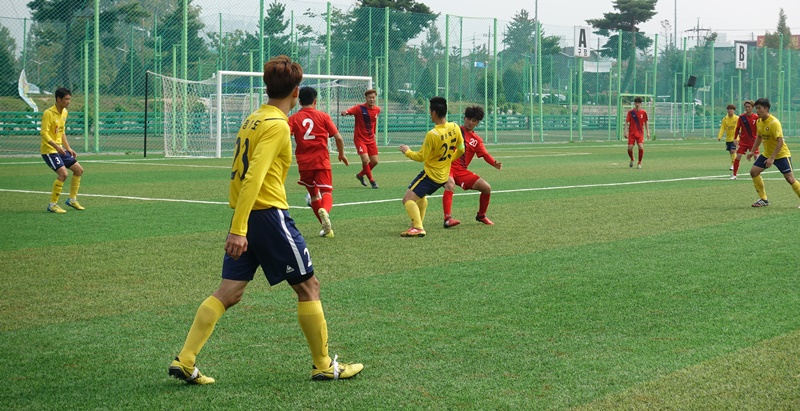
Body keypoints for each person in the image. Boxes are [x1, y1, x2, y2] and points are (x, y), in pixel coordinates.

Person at [168, 56, 363, 385]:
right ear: (296, 90)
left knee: (229, 292)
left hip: (248, 215)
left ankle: (185, 360)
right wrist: (238, 229)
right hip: (267, 215)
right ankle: (323, 364)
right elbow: (254, 178)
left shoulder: (253, 118)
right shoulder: (277, 125)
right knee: (308, 286)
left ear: (266, 86)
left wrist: (239, 221)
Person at [398, 97, 464, 237]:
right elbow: (461, 149)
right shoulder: (455, 127)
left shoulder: (432, 134)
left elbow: (420, 157)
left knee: (407, 199)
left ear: (434, 113)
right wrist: (447, 160)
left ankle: (418, 227)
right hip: (443, 176)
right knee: (420, 197)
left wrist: (407, 151)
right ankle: (417, 223)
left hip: (430, 175)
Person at [288, 86, 349, 238]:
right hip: (321, 161)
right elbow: (338, 138)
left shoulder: (293, 119)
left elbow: (283, 136)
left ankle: (327, 230)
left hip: (304, 163)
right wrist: (341, 154)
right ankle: (325, 211)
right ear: (315, 101)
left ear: (299, 101)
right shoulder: (323, 116)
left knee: (314, 195)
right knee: (326, 192)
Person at [441, 105, 502, 228]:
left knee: (486, 188)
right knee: (450, 184)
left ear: (478, 123)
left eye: (474, 120)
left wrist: (494, 163)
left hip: (462, 171)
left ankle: (481, 215)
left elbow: (484, 154)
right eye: (468, 119)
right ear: (464, 118)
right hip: (446, 167)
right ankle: (447, 218)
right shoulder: (455, 130)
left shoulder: (476, 140)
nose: (470, 122)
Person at [746, 98, 800, 208]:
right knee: (754, 172)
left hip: (781, 154)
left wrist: (772, 158)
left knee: (790, 179)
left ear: (766, 109)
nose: (757, 111)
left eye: (759, 108)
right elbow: (759, 137)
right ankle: (763, 199)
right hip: (767, 153)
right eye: (756, 108)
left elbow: (780, 141)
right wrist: (752, 151)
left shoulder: (774, 123)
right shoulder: (759, 121)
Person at [40, 88, 85, 213]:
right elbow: (43, 133)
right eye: (66, 99)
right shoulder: (48, 113)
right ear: (58, 99)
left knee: (79, 170)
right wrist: (56, 147)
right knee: (63, 174)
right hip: (49, 150)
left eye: (69, 99)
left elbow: (62, 132)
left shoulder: (64, 112)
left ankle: (72, 200)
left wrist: (68, 148)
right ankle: (53, 204)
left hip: (60, 149)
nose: (68, 102)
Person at [341, 89, 381, 189]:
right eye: (369, 97)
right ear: (366, 98)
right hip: (360, 139)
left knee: (375, 161)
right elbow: (349, 111)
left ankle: (360, 175)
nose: (371, 99)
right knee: (365, 160)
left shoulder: (377, 110)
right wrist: (345, 112)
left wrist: (374, 134)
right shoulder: (359, 108)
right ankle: (372, 181)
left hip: (371, 139)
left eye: (373, 97)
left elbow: (374, 123)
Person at [731, 100, 760, 180]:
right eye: (746, 107)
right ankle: (734, 175)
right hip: (743, 141)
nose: (747, 108)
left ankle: (757, 174)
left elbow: (760, 128)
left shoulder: (756, 117)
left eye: (749, 107)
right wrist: (735, 138)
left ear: (752, 108)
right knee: (738, 156)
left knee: (756, 157)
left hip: (753, 141)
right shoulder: (741, 117)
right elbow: (737, 128)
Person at [624, 97, 650, 169]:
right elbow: (626, 122)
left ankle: (639, 162)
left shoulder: (643, 112)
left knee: (641, 146)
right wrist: (625, 131)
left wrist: (648, 132)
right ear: (634, 103)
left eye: (639, 103)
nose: (637, 104)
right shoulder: (630, 112)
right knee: (630, 148)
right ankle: (632, 159)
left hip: (640, 133)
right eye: (636, 103)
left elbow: (646, 123)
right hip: (632, 133)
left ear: (641, 104)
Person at [718, 104, 738, 172]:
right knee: (731, 152)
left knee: (733, 150)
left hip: (735, 138)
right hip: (728, 138)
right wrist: (719, 136)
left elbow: (741, 127)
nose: (729, 111)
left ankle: (734, 165)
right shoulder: (725, 119)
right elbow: (722, 128)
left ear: (734, 111)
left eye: (731, 109)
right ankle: (734, 162)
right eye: (728, 109)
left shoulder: (737, 118)